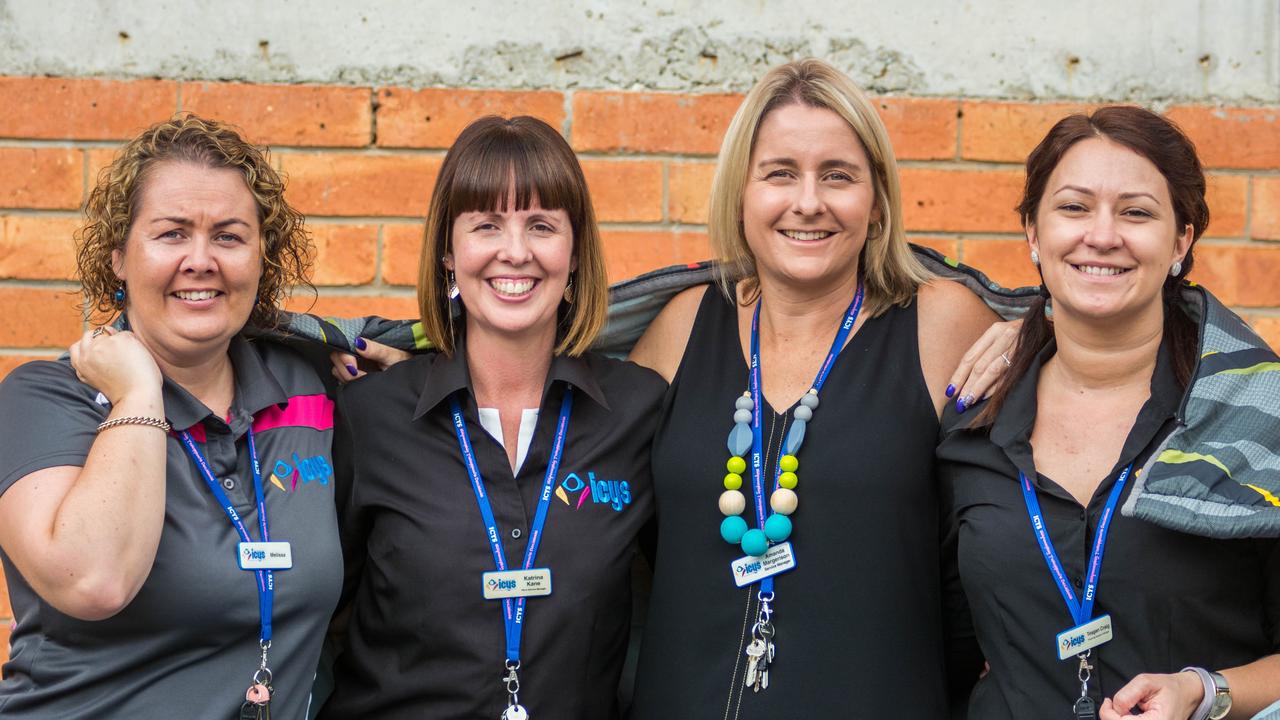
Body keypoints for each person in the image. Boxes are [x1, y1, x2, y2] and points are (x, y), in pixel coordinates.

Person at [627, 58, 999, 717]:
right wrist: (423, 367)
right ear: (741, 193)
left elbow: (1061, 445)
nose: (808, 201)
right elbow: (567, 448)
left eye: (838, 176)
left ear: (877, 200)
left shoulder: (940, 324)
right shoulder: (684, 325)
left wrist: (1039, 330)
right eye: (779, 173)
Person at [937, 106, 1280, 719]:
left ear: (1181, 240)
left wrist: (1206, 692)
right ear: (1034, 235)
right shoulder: (972, 427)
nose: (1101, 235)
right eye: (1073, 207)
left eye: (1136, 212)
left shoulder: (1256, 423)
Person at [319, 115, 667, 720]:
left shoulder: (638, 412)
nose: (515, 251)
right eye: (486, 225)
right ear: (449, 253)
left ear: (576, 250)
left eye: (541, 225)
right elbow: (306, 612)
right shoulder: (370, 415)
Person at [0, 115, 343, 718]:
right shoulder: (45, 402)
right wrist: (136, 395)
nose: (201, 260)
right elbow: (92, 582)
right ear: (118, 258)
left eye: (230, 237)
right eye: (171, 234)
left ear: (263, 259)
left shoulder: (305, 390)